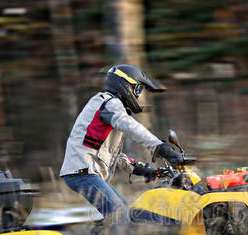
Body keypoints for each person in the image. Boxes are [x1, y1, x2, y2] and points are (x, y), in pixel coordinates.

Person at [59, 64, 183, 221]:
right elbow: (131, 126)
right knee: (121, 215)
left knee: (126, 214)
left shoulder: (104, 106)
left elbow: (113, 156)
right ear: (124, 85)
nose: (138, 95)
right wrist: (160, 147)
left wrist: (146, 171)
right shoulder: (109, 103)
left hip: (85, 172)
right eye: (137, 90)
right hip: (83, 173)